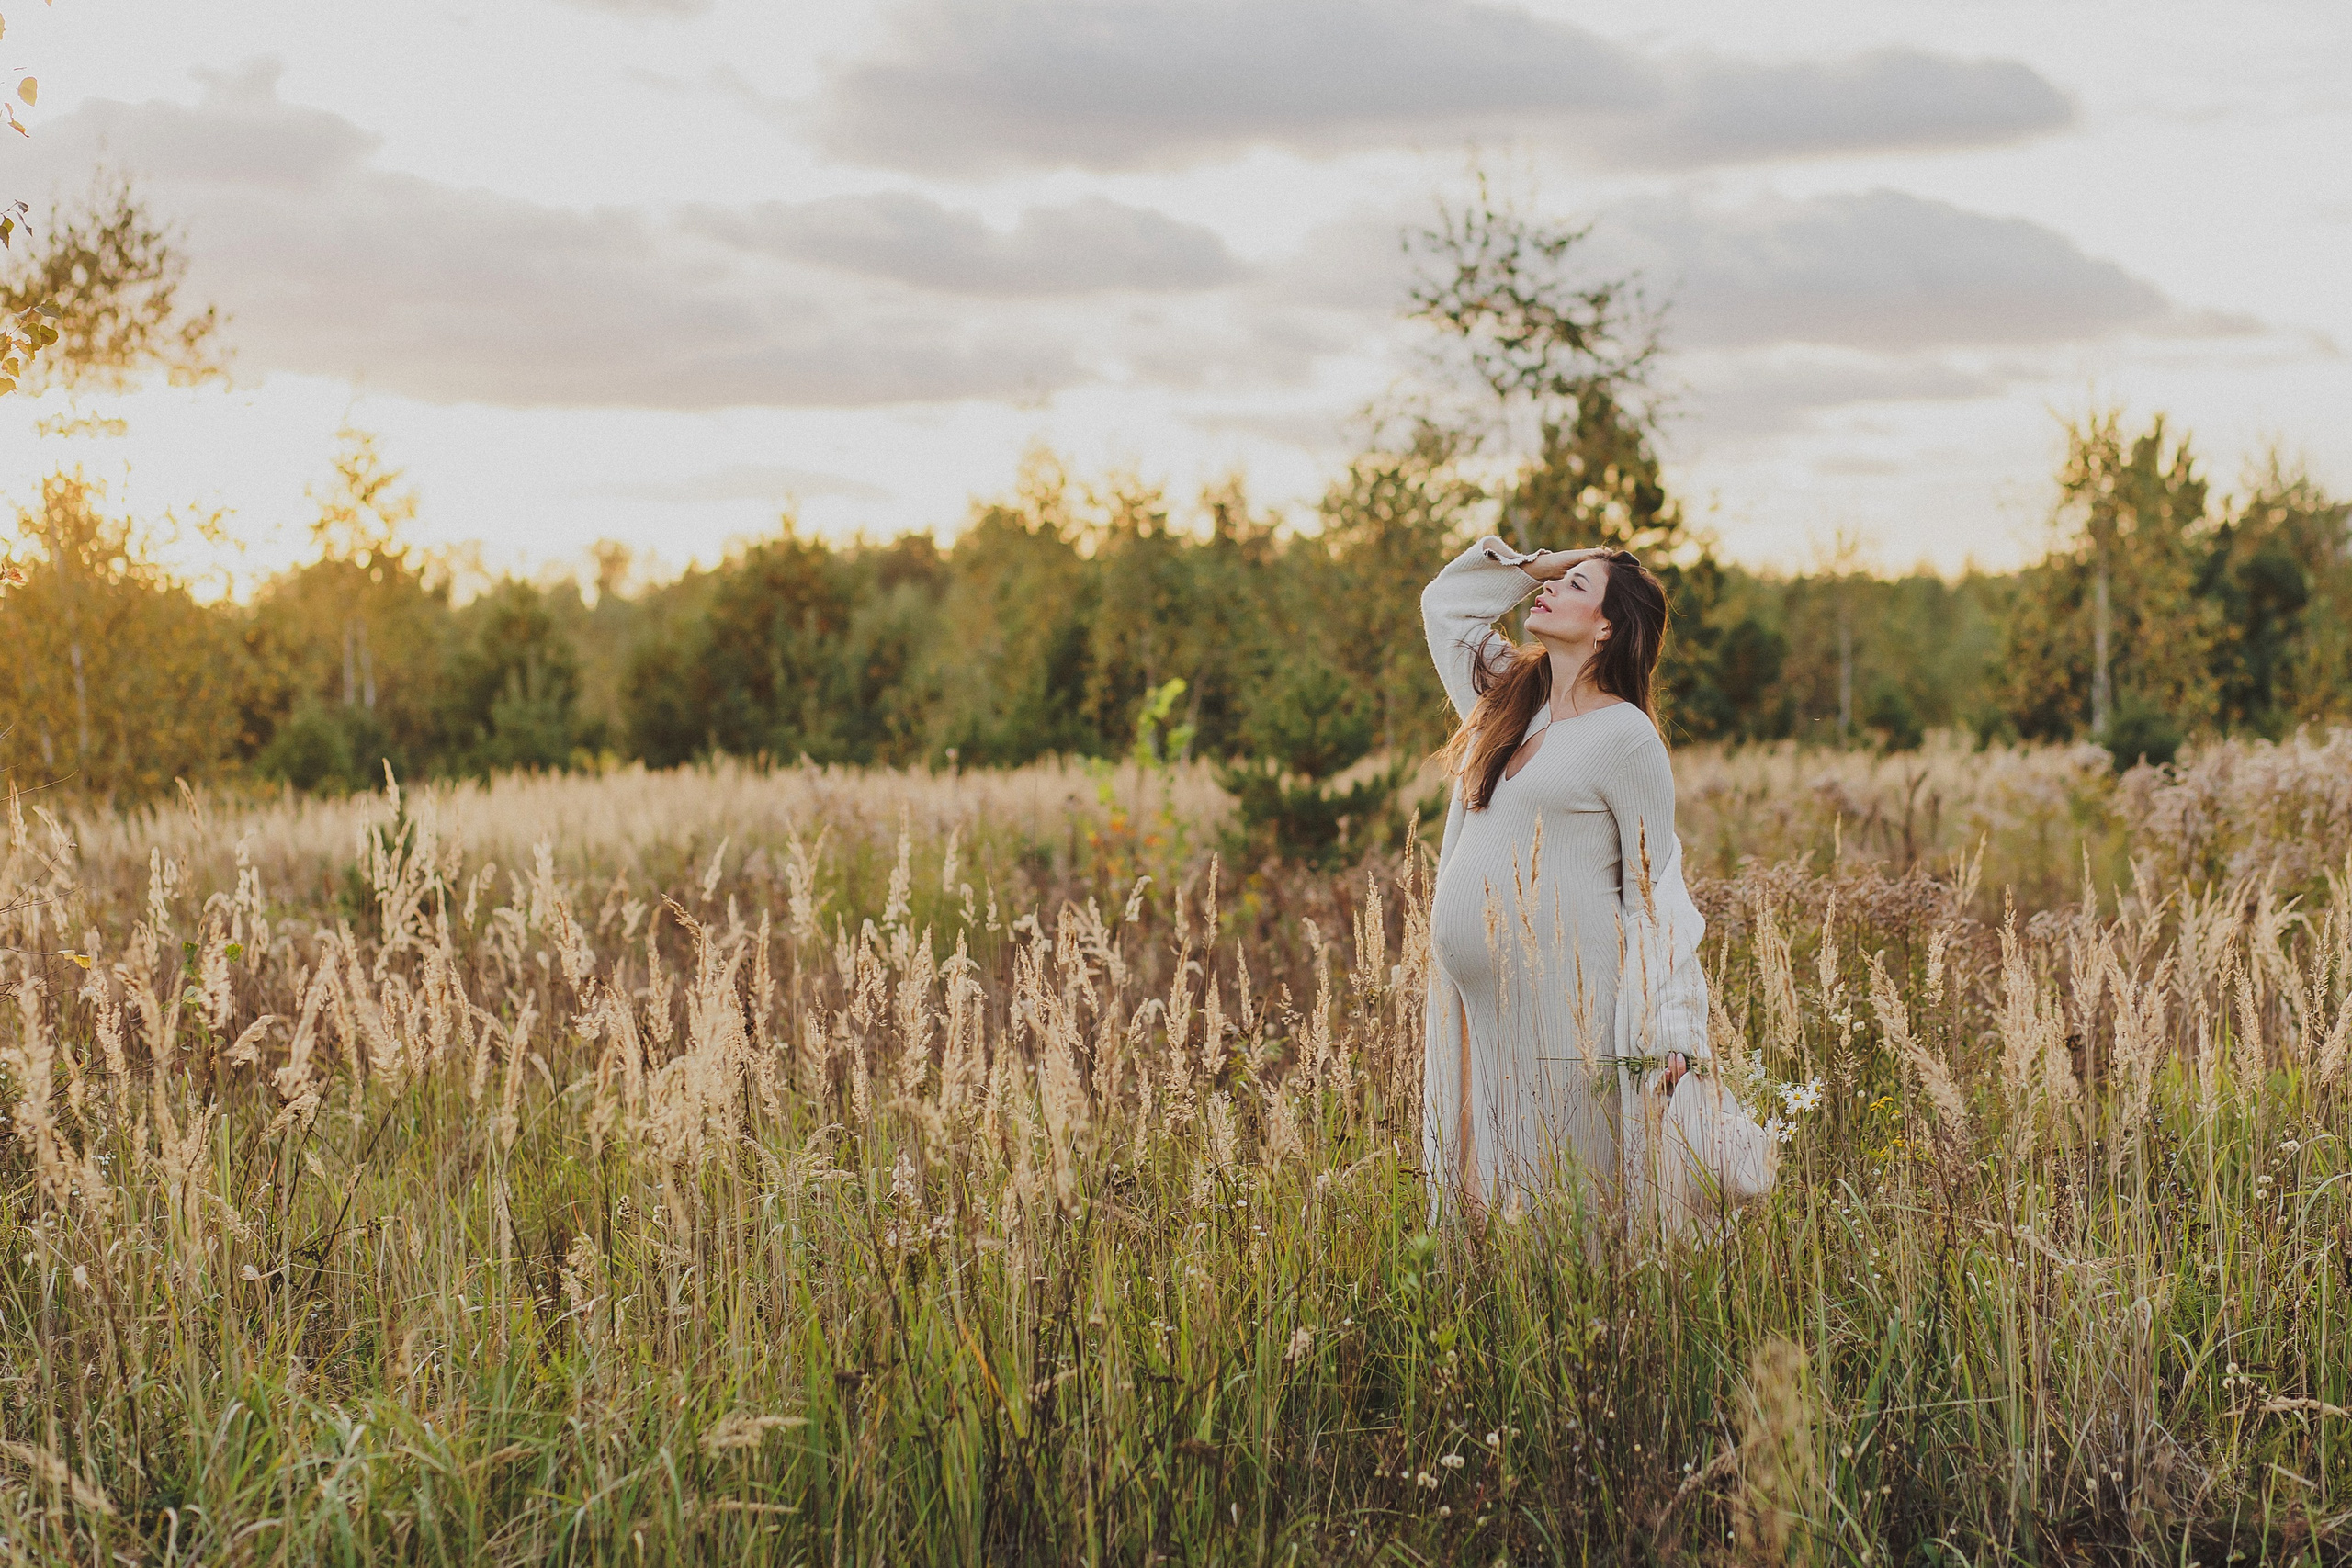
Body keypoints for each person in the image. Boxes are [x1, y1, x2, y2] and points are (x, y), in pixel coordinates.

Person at [1419, 535, 1712, 1229]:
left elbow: (1656, 895)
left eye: (1574, 587)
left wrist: (1672, 1032)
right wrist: (1542, 566)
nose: (1549, 592)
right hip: (1474, 1001)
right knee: (1473, 1176)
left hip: (1566, 997)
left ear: (1607, 626)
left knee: (1558, 1181)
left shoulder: (1628, 738)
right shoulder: (1512, 698)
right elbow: (1445, 606)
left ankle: (1573, 1321)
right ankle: (1484, 1316)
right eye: (1557, 581)